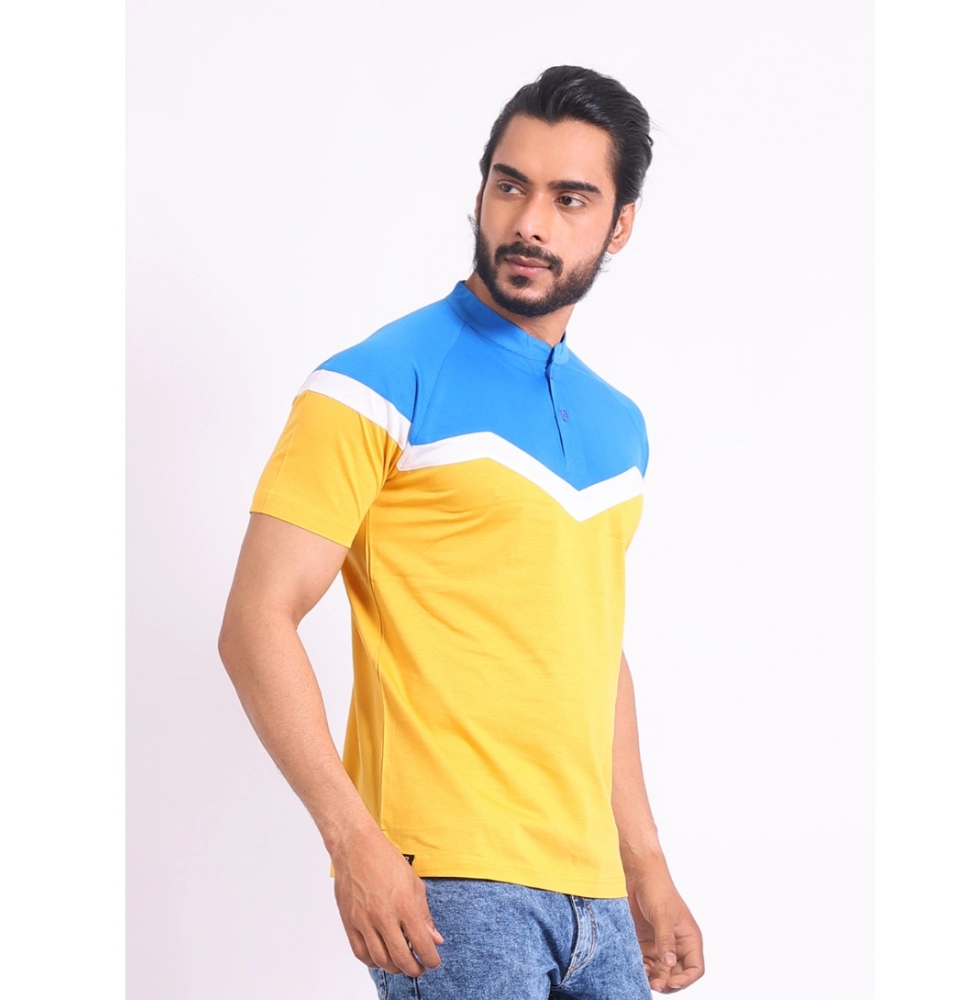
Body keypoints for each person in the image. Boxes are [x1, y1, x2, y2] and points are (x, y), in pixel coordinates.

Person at [219, 65, 705, 998]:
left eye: (571, 199)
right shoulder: (376, 379)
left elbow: (593, 650)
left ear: (620, 225)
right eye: (510, 185)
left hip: (597, 896)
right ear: (481, 190)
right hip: (451, 884)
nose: (530, 223)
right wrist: (354, 841)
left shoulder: (619, 427)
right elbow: (255, 621)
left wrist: (645, 865)